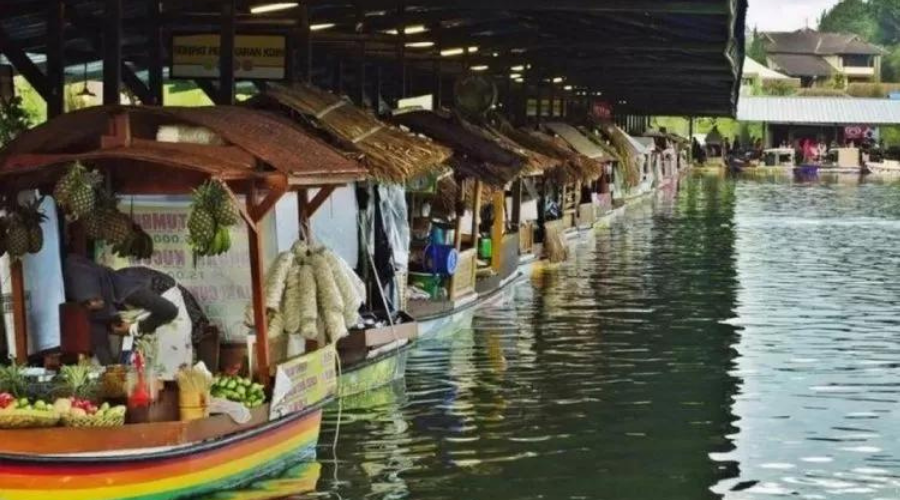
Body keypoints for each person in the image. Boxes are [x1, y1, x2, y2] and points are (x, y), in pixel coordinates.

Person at [63, 255, 193, 378]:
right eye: (86, 302)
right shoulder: (95, 304)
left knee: (168, 368)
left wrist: (133, 329)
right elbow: (99, 342)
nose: (93, 305)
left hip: (167, 307)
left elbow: (169, 311)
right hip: (147, 317)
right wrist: (111, 373)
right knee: (141, 371)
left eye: (95, 298)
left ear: (99, 287)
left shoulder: (126, 288)